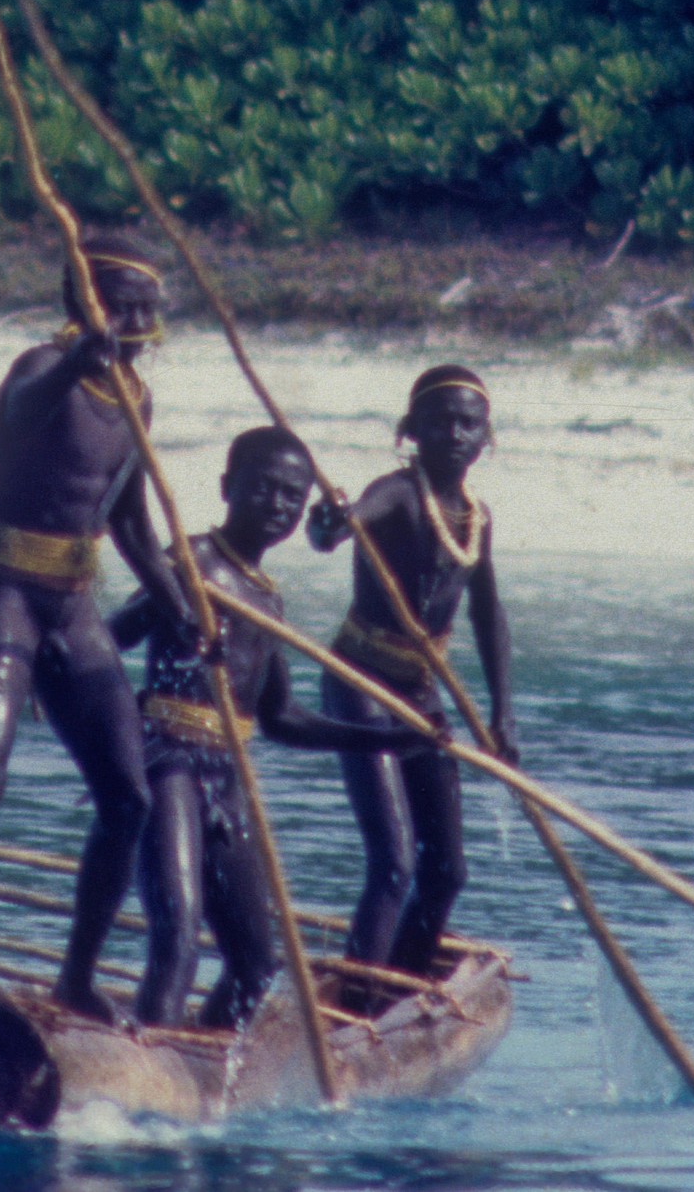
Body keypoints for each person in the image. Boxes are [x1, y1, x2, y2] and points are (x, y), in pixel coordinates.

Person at [0, 247, 205, 1021]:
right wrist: (75, 358)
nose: (139, 324)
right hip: (7, 593)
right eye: (121, 306)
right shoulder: (36, 367)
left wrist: (180, 606)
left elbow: (131, 525)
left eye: (148, 309)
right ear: (84, 302)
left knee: (128, 796)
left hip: (75, 604)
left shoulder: (138, 401)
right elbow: (17, 420)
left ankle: (75, 978)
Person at [106, 427, 408, 1027]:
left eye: (292, 497)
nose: (278, 506)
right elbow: (112, 637)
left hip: (226, 780)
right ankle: (152, 1064)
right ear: (227, 487)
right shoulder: (189, 564)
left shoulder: (267, 602)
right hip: (167, 764)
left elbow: (280, 719)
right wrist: (173, 621)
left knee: (256, 965)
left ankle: (206, 1066)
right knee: (179, 935)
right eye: (264, 489)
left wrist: (394, 736)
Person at [309, 364, 511, 975]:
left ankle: (399, 981)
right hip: (361, 682)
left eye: (467, 423)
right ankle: (357, 1003)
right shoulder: (396, 493)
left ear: (486, 437)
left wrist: (502, 717)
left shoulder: (478, 516)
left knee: (447, 873)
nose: (454, 432)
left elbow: (488, 614)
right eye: (439, 421)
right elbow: (337, 531)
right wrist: (331, 522)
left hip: (423, 692)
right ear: (410, 431)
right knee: (393, 863)